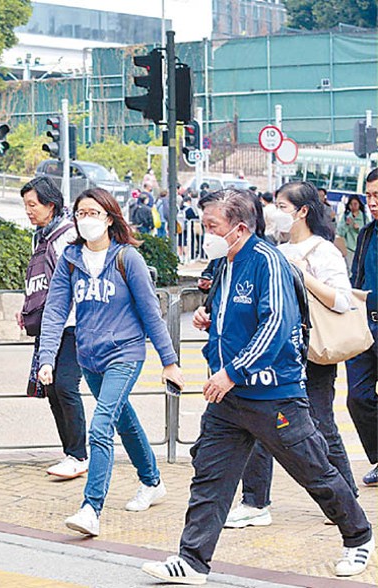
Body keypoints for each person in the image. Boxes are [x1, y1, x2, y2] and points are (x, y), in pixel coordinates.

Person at [142, 189, 373, 584]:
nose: (206, 231)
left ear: (241, 227)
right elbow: (239, 315)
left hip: (274, 396)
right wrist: (209, 318)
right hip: (229, 401)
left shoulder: (269, 262)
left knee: (315, 471)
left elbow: (277, 325)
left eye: (213, 225)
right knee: (210, 478)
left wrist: (232, 371)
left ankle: (359, 537)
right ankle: (192, 560)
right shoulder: (226, 262)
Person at [38, 188, 184, 537]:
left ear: (109, 218)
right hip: (90, 356)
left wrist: (170, 361)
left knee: (101, 426)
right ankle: (152, 482)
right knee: (123, 420)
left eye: (93, 213)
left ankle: (91, 508)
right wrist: (46, 358)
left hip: (125, 353)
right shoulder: (70, 259)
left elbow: (151, 313)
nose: (86, 219)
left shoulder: (126, 258)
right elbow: (55, 310)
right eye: (80, 213)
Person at [224, 181, 358, 530]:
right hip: (279, 352)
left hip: (314, 353)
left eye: (283, 207)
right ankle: (255, 501)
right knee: (257, 422)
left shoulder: (323, 251)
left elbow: (343, 301)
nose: (276, 213)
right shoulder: (275, 250)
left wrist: (300, 274)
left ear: (303, 211)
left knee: (319, 424)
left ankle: (345, 495)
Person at [17, 177, 88, 479]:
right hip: (49, 326)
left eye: (33, 205)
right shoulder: (41, 236)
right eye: (26, 206)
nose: (29, 212)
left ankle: (79, 454)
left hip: (72, 324)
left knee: (65, 385)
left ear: (51, 204)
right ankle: (70, 453)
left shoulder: (68, 235)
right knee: (53, 390)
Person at [345, 168, 378, 487]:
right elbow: (357, 276)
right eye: (369, 195)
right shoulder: (368, 233)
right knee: (357, 396)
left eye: (377, 196)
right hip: (365, 326)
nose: (371, 202)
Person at [337, 194, 369, 270]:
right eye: (351, 204)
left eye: (355, 204)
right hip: (348, 249)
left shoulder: (364, 218)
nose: (353, 206)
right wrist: (346, 225)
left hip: (361, 249)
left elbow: (368, 232)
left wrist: (359, 228)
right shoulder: (346, 217)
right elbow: (340, 232)